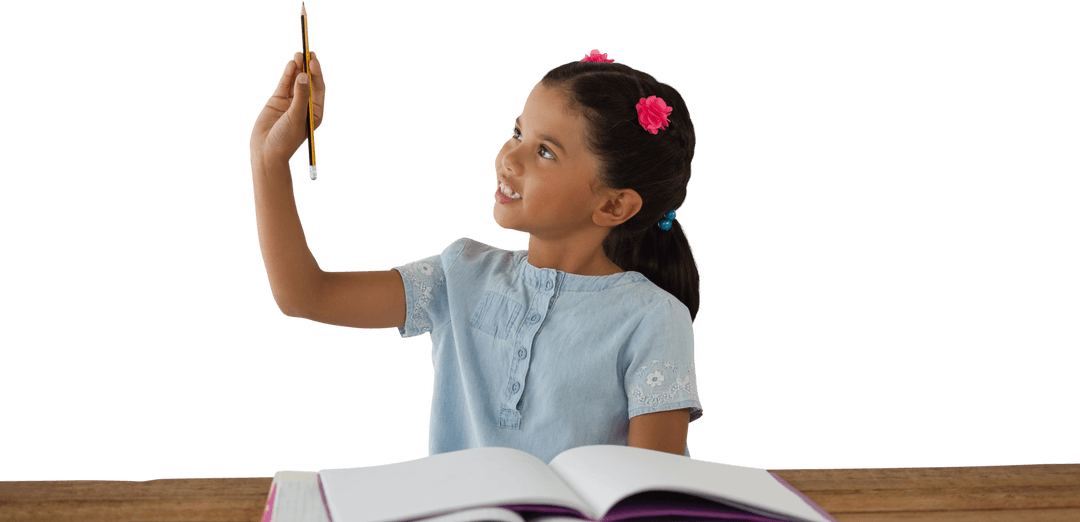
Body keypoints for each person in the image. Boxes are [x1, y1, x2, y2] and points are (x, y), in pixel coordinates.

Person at [249, 48, 703, 464]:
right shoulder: (461, 273)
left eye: (545, 151)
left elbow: (650, 498)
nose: (508, 158)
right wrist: (268, 161)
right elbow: (305, 295)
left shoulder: (654, 320)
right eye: (517, 133)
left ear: (612, 205)